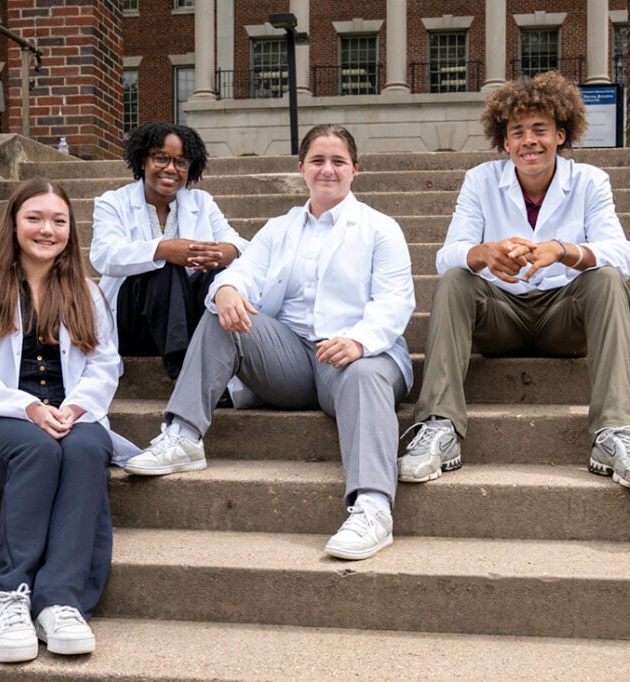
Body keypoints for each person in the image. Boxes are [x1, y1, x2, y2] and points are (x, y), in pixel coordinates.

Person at [123, 124, 415, 560]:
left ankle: (372, 507)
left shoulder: (380, 228)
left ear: (355, 169)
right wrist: (225, 290)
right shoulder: (279, 229)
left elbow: (395, 301)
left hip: (358, 357)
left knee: (365, 373)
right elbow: (245, 273)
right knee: (224, 312)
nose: (327, 170)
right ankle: (183, 435)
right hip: (294, 358)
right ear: (302, 168)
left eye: (338, 161)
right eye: (317, 160)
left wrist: (358, 341)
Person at [400, 71, 630, 491]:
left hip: (565, 320)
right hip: (499, 318)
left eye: (540, 129)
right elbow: (445, 256)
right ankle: (439, 427)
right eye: (517, 132)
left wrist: (564, 251)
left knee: (608, 278)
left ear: (561, 134)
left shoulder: (590, 181)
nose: (529, 141)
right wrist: (482, 254)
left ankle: (614, 434)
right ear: (504, 142)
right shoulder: (481, 180)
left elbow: (626, 255)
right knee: (455, 279)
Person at [0, 178, 138, 663]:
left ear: (71, 230)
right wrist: (25, 407)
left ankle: (61, 601)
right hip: (2, 419)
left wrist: (76, 407)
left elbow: (105, 364)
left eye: (59, 220)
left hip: (72, 410)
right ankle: (10, 592)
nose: (47, 229)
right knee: (38, 448)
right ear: (13, 223)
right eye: (35, 218)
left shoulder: (87, 294)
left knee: (89, 447)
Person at [91, 121, 249, 381]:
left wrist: (227, 251)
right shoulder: (113, 202)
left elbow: (242, 245)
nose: (171, 169)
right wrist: (162, 249)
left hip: (188, 318)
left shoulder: (202, 202)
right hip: (135, 323)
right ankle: (184, 374)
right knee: (162, 268)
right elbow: (104, 255)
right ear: (143, 160)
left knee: (219, 275)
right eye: (161, 158)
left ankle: (223, 360)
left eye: (181, 162)